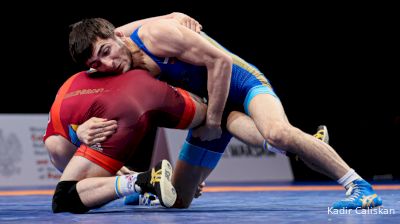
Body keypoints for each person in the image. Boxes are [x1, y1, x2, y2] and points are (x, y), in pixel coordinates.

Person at [68, 16, 382, 209]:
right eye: (95, 64)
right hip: (211, 107)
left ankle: (360, 188)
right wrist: (76, 131)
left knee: (277, 131)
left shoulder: (154, 35)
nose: (106, 65)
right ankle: (297, 145)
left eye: (106, 52)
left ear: (117, 36)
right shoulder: (111, 65)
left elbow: (222, 62)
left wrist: (215, 122)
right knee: (177, 200)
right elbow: (79, 108)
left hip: (242, 84)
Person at [44, 69, 209, 213]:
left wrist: (75, 133)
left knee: (66, 198)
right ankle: (144, 184)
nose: (110, 62)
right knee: (89, 192)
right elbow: (206, 117)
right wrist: (188, 177)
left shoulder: (76, 89)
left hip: (119, 118)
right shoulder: (136, 67)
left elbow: (56, 141)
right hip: (141, 106)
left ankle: (143, 181)